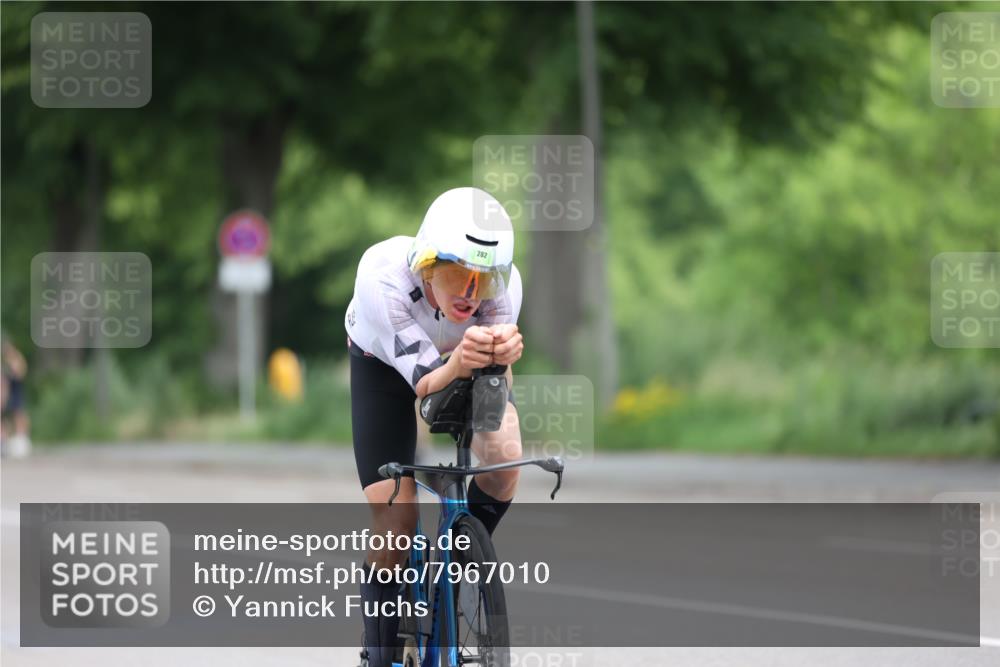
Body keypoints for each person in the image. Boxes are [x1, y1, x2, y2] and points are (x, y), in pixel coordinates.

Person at [345, 187, 524, 667]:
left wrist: (500, 360)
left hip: (460, 360)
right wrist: (462, 361)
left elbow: (497, 382)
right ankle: (380, 654)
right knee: (397, 521)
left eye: (484, 280)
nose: (470, 293)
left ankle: (456, 562)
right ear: (426, 265)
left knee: (505, 462)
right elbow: (425, 386)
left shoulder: (506, 290)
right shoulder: (383, 281)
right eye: (455, 274)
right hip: (384, 365)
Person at [1, 333, 31, 458]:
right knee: (8, 416)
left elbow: (20, 373)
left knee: (19, 414)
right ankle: (7, 440)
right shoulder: (5, 362)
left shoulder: (17, 359)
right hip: (7, 392)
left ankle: (22, 437)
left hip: (16, 391)